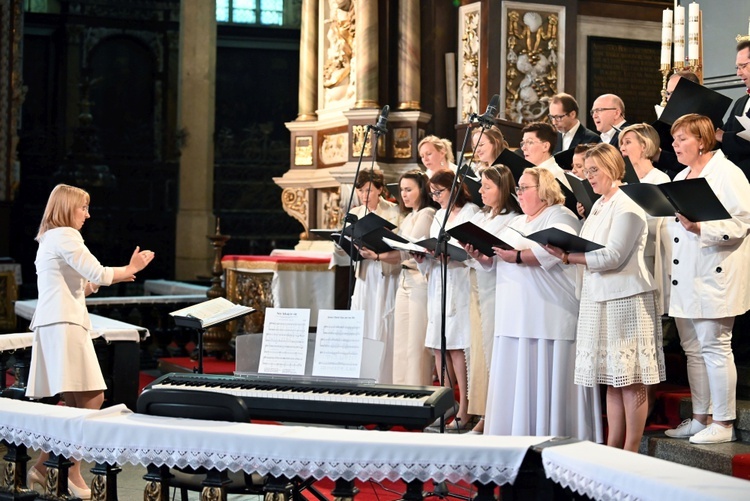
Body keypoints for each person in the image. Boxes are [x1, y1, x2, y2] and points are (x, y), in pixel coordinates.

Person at [26, 184, 155, 499]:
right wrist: (130, 269)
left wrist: (95, 282)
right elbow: (96, 271)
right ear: (68, 208)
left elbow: (76, 284)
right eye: (83, 207)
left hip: (59, 322)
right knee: (92, 398)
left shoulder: (50, 239)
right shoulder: (65, 235)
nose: (87, 214)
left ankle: (49, 469)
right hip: (63, 324)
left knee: (75, 403)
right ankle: (61, 469)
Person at [545, 143, 666, 452]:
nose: (589, 177)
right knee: (612, 378)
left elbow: (613, 255)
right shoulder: (600, 204)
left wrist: (570, 257)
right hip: (599, 296)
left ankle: (632, 448)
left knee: (631, 378)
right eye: (586, 172)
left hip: (626, 298)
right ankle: (613, 445)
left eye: (594, 170)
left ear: (613, 168)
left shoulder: (628, 204)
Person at [483, 168, 602, 441]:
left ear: (545, 189)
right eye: (518, 189)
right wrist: (483, 256)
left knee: (549, 380)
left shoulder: (560, 214)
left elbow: (551, 251)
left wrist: (517, 256)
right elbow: (500, 258)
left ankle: (559, 437)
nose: (519, 194)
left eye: (525, 188)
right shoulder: (520, 220)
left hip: (549, 315)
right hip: (515, 316)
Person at [663, 114, 750, 444]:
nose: (675, 144)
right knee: (693, 350)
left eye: (682, 138)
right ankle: (701, 416)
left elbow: (743, 222)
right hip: (686, 275)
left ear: (702, 140)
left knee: (715, 347)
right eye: (674, 138)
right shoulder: (683, 174)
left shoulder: (728, 174)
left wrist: (702, 228)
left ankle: (724, 421)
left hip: (716, 273)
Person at [416, 169, 479, 430]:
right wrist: (424, 257)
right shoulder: (439, 215)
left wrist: (451, 255)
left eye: (439, 191)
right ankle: (446, 403)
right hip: (440, 281)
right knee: (438, 346)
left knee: (456, 346)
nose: (435, 197)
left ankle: (466, 407)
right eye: (432, 193)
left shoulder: (471, 212)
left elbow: (472, 251)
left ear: (454, 188)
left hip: (460, 283)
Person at [461, 164, 521, 434]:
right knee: (478, 350)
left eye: (488, 187)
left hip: (499, 288)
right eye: (481, 186)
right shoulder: (484, 216)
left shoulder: (513, 218)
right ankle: (484, 410)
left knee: (493, 351)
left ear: (503, 189)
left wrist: (484, 257)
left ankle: (494, 414)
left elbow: (504, 256)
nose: (481, 191)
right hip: (477, 284)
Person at [377, 170, 437, 386]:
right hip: (404, 280)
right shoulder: (409, 216)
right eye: (401, 190)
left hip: (419, 281)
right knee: (401, 341)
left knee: (416, 343)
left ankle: (419, 392)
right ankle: (400, 391)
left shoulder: (427, 213)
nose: (404, 194)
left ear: (422, 189)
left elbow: (411, 248)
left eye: (409, 189)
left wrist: (378, 253)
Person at [349, 169, 401, 384]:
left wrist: (378, 252)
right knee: (364, 320)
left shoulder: (394, 212)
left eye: (369, 190)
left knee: (382, 320)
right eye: (361, 190)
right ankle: (362, 376)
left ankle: (385, 377)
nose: (364, 195)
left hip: (385, 273)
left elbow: (400, 247)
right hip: (364, 273)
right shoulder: (354, 213)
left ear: (380, 189)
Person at [716, 40, 750, 179]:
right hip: (736, 178)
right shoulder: (740, 102)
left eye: (743, 66)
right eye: (737, 67)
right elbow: (725, 134)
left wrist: (722, 136)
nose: (738, 73)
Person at [520, 122, 571, 190]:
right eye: (523, 143)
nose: (523, 148)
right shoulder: (533, 171)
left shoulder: (555, 176)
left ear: (545, 146)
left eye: (530, 142)